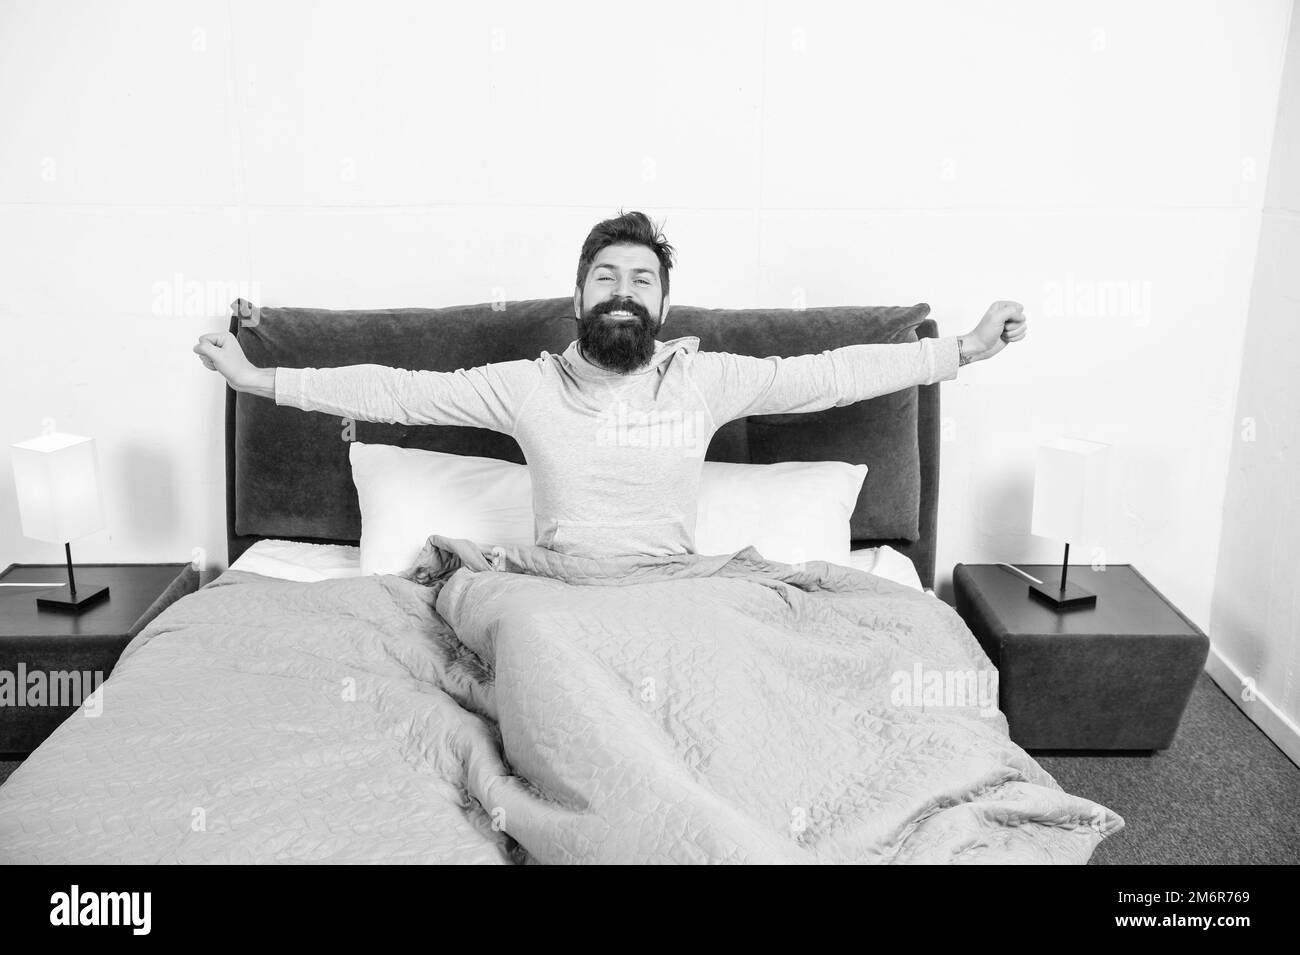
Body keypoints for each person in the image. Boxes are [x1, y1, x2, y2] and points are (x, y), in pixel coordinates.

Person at [194, 210, 1027, 559]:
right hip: (550, 599)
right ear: (582, 295)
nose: (623, 292)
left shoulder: (704, 380)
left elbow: (834, 375)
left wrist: (963, 350)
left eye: (641, 280)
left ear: (662, 303)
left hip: (676, 593)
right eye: (606, 278)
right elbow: (397, 391)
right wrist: (255, 376)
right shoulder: (525, 386)